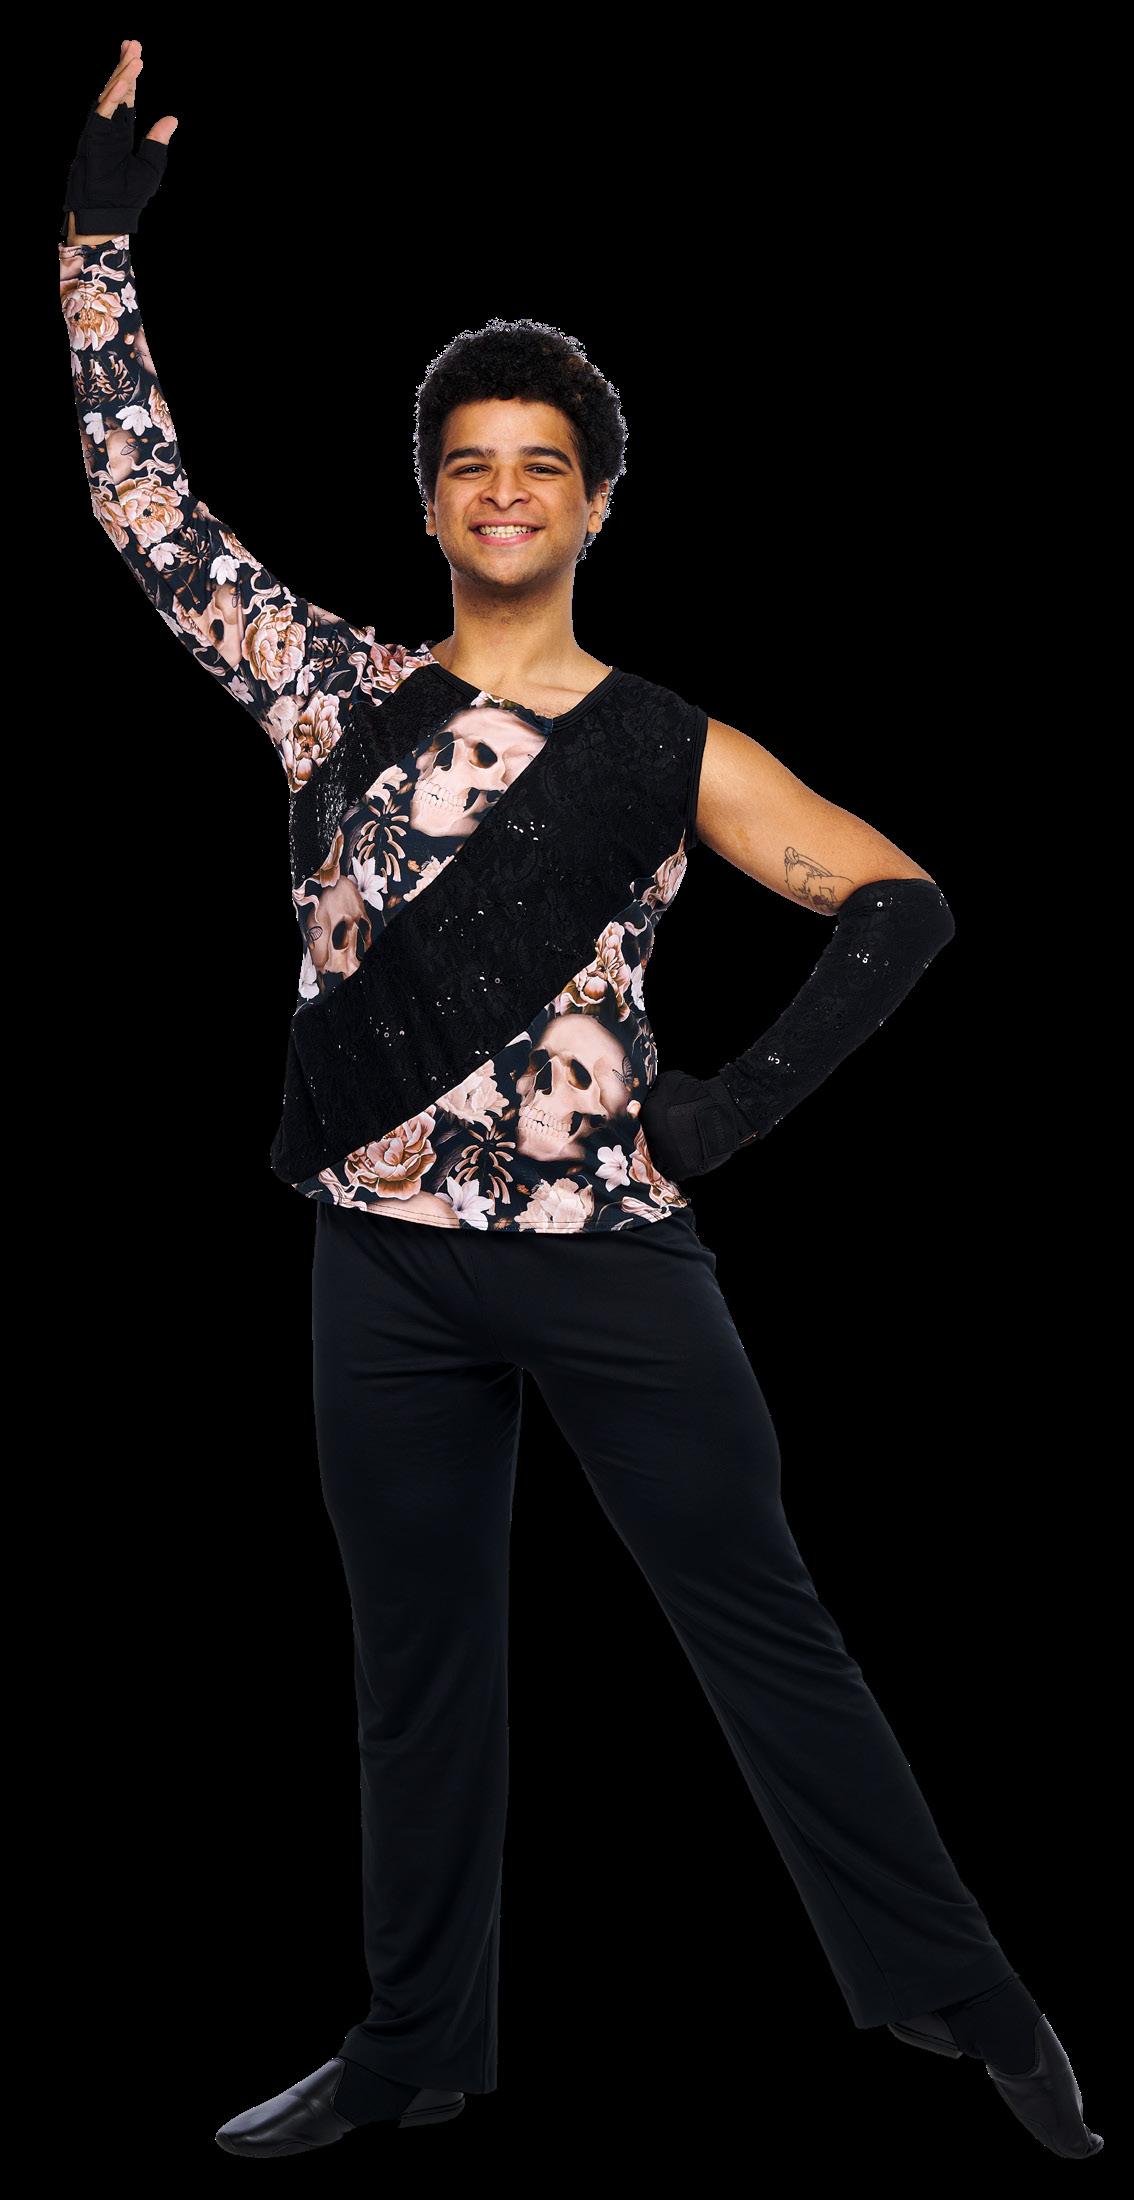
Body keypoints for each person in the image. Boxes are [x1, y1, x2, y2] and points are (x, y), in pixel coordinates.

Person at [58, 41, 1102, 2163]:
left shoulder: (663, 744)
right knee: (416, 1661)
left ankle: (965, 1990)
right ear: (432, 499)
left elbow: (900, 900)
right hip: (380, 1265)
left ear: (597, 500)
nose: (506, 490)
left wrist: (725, 1113)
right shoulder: (332, 691)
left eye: (545, 462)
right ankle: (412, 2044)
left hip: (611, 1263)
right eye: (471, 463)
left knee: (765, 1625)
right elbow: (139, 501)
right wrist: (95, 242)